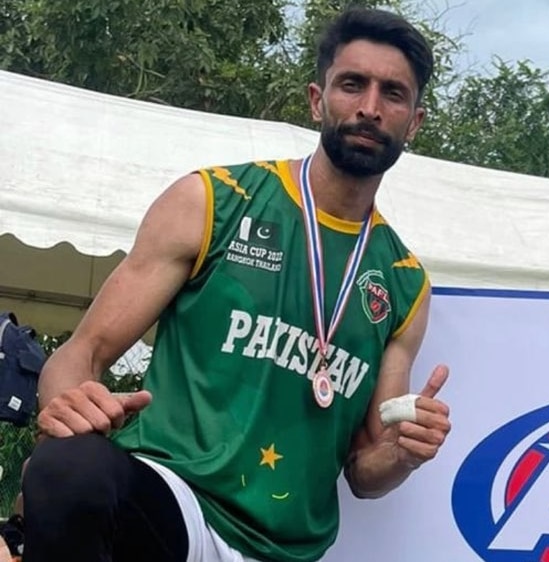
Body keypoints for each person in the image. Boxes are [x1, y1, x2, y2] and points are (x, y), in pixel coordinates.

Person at [22, 7, 452, 562]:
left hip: (284, 547)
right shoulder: (214, 201)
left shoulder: (402, 282)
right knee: (66, 467)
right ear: (318, 99)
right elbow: (80, 354)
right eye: (353, 84)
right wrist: (67, 404)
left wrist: (403, 453)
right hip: (172, 501)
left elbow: (367, 472)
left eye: (393, 94)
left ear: (413, 122)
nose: (370, 107)